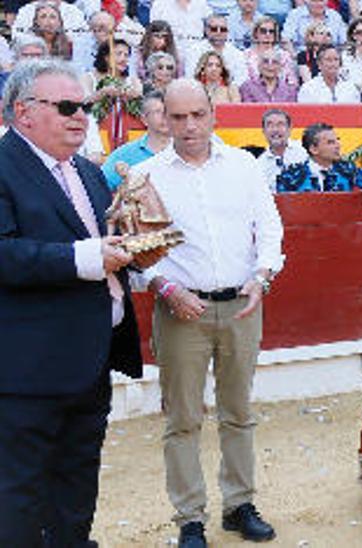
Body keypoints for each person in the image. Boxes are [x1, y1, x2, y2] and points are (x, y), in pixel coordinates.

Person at [0, 58, 149, 548]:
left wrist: (139, 253)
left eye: (85, 106)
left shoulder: (88, 171)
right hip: (28, 371)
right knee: (19, 492)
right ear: (24, 113)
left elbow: (110, 246)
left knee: (78, 480)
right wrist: (88, 258)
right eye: (67, 106)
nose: (81, 116)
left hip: (91, 359)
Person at [131, 78, 283, 548]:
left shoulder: (243, 165)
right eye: (178, 117)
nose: (189, 126)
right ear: (161, 118)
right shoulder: (147, 175)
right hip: (181, 309)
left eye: (197, 115)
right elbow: (137, 254)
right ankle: (190, 518)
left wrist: (262, 277)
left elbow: (270, 229)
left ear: (213, 112)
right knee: (182, 418)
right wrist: (165, 286)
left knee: (239, 412)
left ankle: (239, 505)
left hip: (241, 304)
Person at [276, 122, 362, 201]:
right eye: (330, 143)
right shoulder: (292, 176)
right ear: (314, 149)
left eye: (337, 140)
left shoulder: (346, 169)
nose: (338, 145)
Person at [102, 91, 171, 190]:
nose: (165, 116)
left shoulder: (188, 151)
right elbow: (100, 189)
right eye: (158, 112)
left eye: (169, 111)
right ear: (144, 120)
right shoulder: (124, 155)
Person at [256, 108, 307, 186]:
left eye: (280, 125)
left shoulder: (305, 151)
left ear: (289, 129)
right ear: (263, 131)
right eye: (270, 125)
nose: (275, 130)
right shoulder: (260, 164)